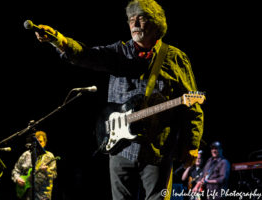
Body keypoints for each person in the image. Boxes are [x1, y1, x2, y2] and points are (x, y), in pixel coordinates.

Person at [34, 0, 204, 199]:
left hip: (157, 149)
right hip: (120, 147)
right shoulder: (118, 53)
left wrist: (192, 144)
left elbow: (192, 108)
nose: (135, 24)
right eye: (131, 19)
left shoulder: (175, 58)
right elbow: (85, 55)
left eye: (141, 18)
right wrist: (58, 40)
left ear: (156, 23)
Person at [12, 131, 57, 200]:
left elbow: (54, 175)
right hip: (26, 194)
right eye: (37, 142)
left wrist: (47, 170)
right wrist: (18, 179)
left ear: (45, 143)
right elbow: (16, 171)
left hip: (42, 195)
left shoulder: (50, 156)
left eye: (41, 141)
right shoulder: (26, 155)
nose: (38, 144)